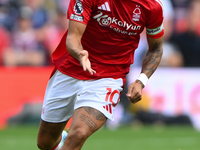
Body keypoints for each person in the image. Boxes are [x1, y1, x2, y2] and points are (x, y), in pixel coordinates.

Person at [37, 0, 164, 150]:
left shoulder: (152, 6)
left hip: (108, 79)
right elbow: (73, 37)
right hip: (70, 69)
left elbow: (156, 48)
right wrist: (80, 54)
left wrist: (141, 80)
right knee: (45, 143)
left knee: (79, 133)